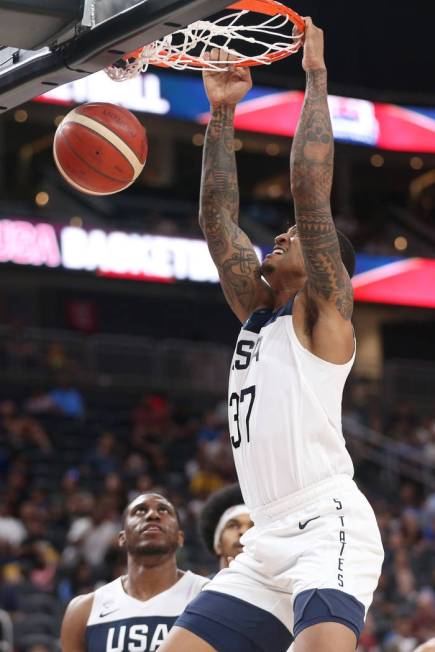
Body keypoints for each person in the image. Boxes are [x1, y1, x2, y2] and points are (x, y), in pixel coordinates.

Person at [159, 17, 383, 652]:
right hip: (265, 537)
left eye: (289, 237)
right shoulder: (258, 314)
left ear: (321, 263)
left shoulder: (325, 318)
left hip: (327, 522)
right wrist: (223, 113)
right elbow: (216, 219)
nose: (277, 236)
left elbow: (311, 195)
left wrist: (315, 79)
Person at [60, 493, 207, 652]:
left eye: (163, 510)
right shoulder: (83, 610)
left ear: (180, 538)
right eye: (140, 511)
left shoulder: (208, 596)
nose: (153, 514)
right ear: (122, 538)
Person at [199, 483, 253, 571]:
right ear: (218, 545)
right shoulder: (202, 585)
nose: (244, 531)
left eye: (252, 526)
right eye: (233, 526)